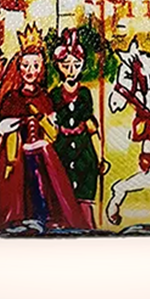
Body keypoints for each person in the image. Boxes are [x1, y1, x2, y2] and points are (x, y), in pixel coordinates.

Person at [0, 25, 89, 234]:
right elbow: (3, 126)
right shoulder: (13, 98)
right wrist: (20, 121)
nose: (30, 71)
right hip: (17, 152)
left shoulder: (44, 97)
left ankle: (45, 220)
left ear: (41, 68)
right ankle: (19, 219)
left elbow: (52, 129)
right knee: (18, 187)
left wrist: (42, 119)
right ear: (19, 67)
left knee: (46, 187)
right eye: (26, 65)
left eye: (35, 65)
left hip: (41, 150)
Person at [50, 29, 100, 225]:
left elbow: (90, 123)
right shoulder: (55, 94)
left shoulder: (85, 93)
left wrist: (99, 152)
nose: (71, 70)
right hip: (62, 147)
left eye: (76, 65)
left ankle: (86, 225)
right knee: (63, 187)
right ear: (58, 66)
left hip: (83, 147)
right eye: (66, 65)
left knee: (84, 190)